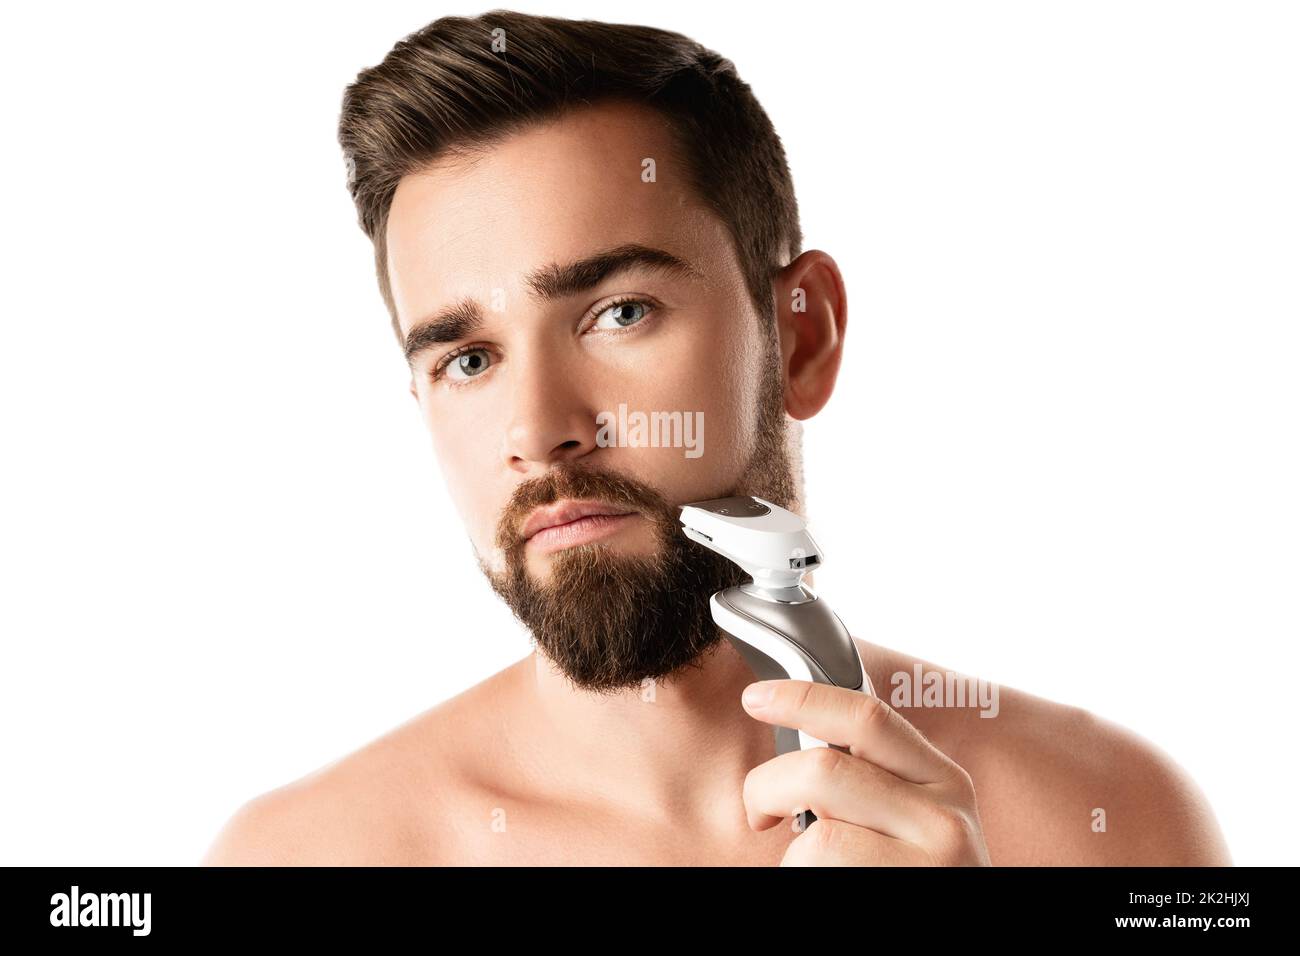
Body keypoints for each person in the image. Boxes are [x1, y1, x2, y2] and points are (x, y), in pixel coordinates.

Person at [202, 10, 1231, 865]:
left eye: (618, 313)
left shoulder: (1114, 820)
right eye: (467, 358)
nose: (539, 430)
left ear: (802, 334)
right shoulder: (300, 858)